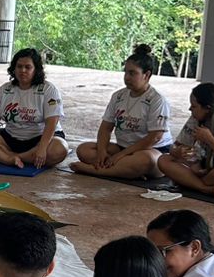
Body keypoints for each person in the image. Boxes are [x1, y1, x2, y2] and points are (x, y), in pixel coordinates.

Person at [71, 43, 173, 180]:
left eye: (132, 73)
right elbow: (105, 128)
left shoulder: (157, 99)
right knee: (84, 150)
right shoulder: (118, 96)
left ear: (146, 75)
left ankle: (97, 171)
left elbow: (154, 137)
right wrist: (101, 152)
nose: (127, 77)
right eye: (125, 72)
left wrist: (120, 155)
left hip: (152, 151)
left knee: (145, 160)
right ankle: (127, 170)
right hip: (123, 147)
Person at [0, 47, 67, 169]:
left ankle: (9, 156)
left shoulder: (48, 89)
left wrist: (42, 148)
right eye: (19, 66)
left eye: (28, 67)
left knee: (59, 149)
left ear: (36, 69)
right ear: (14, 69)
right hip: (11, 137)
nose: (23, 70)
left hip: (40, 137)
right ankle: (11, 159)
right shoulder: (5, 89)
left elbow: (52, 122)